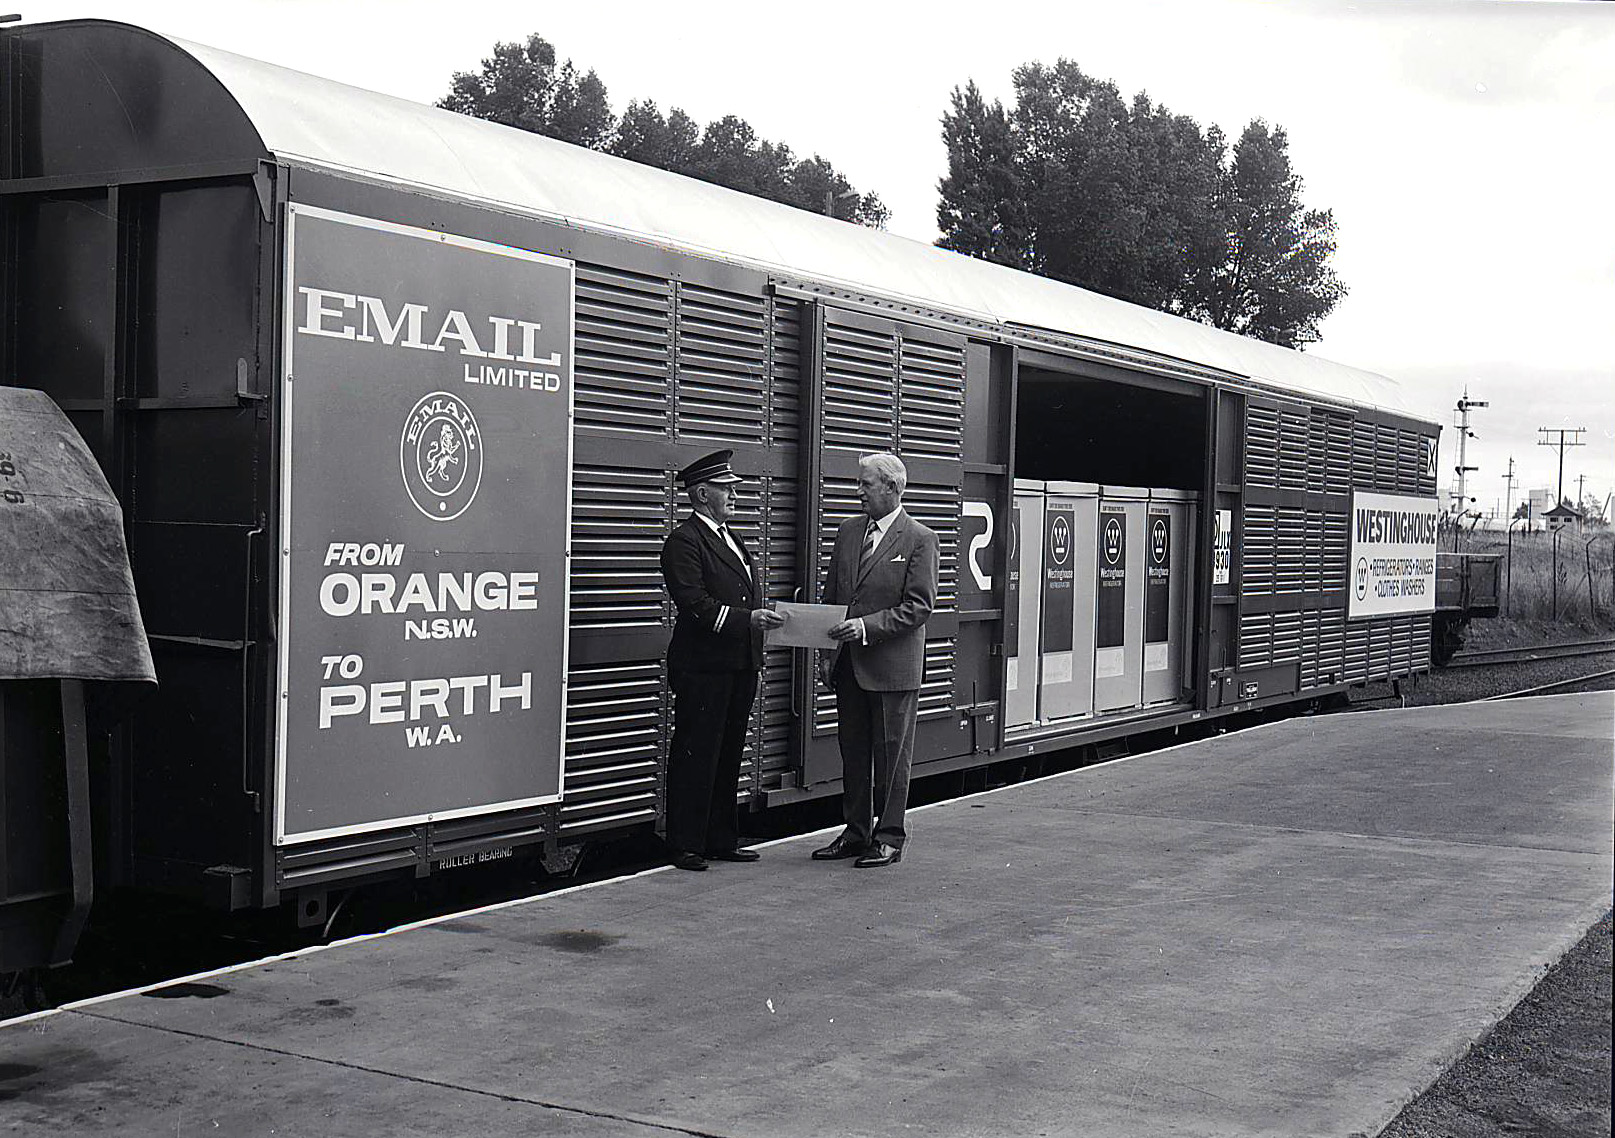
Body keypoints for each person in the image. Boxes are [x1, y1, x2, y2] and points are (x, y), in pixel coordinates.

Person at [811, 452, 938, 868]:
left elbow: (919, 606)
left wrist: (865, 628)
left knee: (891, 756)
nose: (857, 491)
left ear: (893, 488)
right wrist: (826, 653)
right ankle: (856, 832)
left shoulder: (919, 538)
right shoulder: (848, 532)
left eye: (865, 484)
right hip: (849, 666)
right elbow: (834, 597)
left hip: (891, 668)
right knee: (853, 752)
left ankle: (889, 836)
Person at [659, 449, 784, 871]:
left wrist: (755, 656)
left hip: (737, 665)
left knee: (729, 751)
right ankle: (686, 843)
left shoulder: (729, 535)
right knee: (697, 751)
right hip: (704, 667)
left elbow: (742, 592)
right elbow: (695, 602)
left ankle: (718, 838)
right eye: (725, 488)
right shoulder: (684, 541)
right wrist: (750, 621)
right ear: (700, 494)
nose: (734, 494)